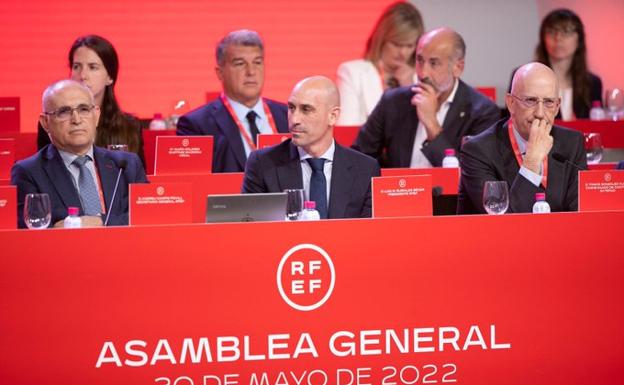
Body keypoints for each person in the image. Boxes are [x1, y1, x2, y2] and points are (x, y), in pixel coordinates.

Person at [353, 27, 500, 168]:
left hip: (448, 195)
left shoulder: (483, 112)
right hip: (399, 192)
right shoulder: (393, 101)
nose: (423, 73)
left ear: (458, 67)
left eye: (434, 63)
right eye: (419, 60)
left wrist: (432, 125)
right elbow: (358, 158)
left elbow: (472, 175)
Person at [12, 80, 148, 228]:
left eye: (83, 109)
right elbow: (31, 231)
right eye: (63, 112)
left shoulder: (127, 165)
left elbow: (147, 215)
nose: (76, 120)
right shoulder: (29, 172)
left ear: (96, 115)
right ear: (45, 122)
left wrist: (100, 222)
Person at [242, 76, 380, 219]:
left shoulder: (365, 169)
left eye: (306, 110)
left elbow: (367, 233)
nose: (294, 119)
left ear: (333, 116)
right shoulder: (262, 164)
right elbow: (251, 229)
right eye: (291, 108)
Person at [458, 62, 586, 214]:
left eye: (548, 102)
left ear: (557, 106)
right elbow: (503, 224)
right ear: (511, 103)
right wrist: (531, 163)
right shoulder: (478, 151)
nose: (539, 112)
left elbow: (579, 214)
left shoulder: (572, 143)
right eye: (530, 100)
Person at [177, 29, 288, 173]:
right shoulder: (197, 125)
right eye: (240, 63)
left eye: (257, 62)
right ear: (220, 73)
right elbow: (194, 184)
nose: (251, 72)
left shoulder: (287, 115)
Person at [37, 35, 145, 165]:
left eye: (92, 67)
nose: (83, 76)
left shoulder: (130, 127)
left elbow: (137, 181)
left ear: (110, 77)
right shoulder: (54, 121)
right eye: (77, 67)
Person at [336, 1, 424, 126]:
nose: (403, 53)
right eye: (396, 44)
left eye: (409, 46)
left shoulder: (421, 80)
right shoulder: (351, 72)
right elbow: (346, 129)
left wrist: (410, 89)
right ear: (382, 39)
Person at [509, 9, 602, 120]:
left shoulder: (592, 83)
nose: (558, 38)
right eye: (552, 31)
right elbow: (511, 121)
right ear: (543, 38)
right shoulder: (523, 76)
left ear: (579, 39)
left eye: (566, 32)